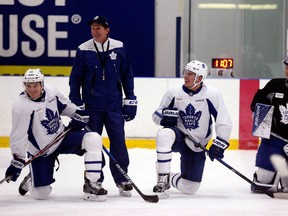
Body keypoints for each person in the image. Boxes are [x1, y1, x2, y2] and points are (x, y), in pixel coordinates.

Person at [5, 68, 107, 201]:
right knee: (41, 194)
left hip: (62, 137)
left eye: (35, 85)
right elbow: (18, 136)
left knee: (93, 138)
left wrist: (78, 114)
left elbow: (66, 107)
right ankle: (32, 180)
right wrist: (17, 160)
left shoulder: (51, 92)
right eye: (28, 86)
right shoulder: (21, 107)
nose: (32, 89)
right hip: (41, 151)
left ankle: (92, 185)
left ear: (41, 84)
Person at [68, 16, 137, 197]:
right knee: (93, 144)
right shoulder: (83, 49)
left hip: (114, 107)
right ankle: (94, 180)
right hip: (91, 108)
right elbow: (75, 78)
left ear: (107, 30)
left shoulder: (119, 47)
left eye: (98, 28)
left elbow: (127, 75)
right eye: (92, 28)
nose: (95, 32)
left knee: (119, 143)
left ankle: (122, 178)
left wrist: (130, 99)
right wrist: (76, 102)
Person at [152, 60, 232, 198]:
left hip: (198, 144)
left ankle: (170, 178)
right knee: (164, 134)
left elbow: (223, 121)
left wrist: (220, 144)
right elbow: (156, 115)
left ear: (200, 78)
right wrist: (165, 117)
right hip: (179, 137)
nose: (186, 76)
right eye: (186, 72)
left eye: (190, 74)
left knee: (190, 188)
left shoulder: (212, 94)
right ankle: (162, 178)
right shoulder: (174, 92)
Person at [250, 56, 288, 193]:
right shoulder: (275, 85)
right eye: (287, 67)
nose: (287, 70)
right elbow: (257, 103)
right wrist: (261, 116)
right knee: (264, 182)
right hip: (274, 139)